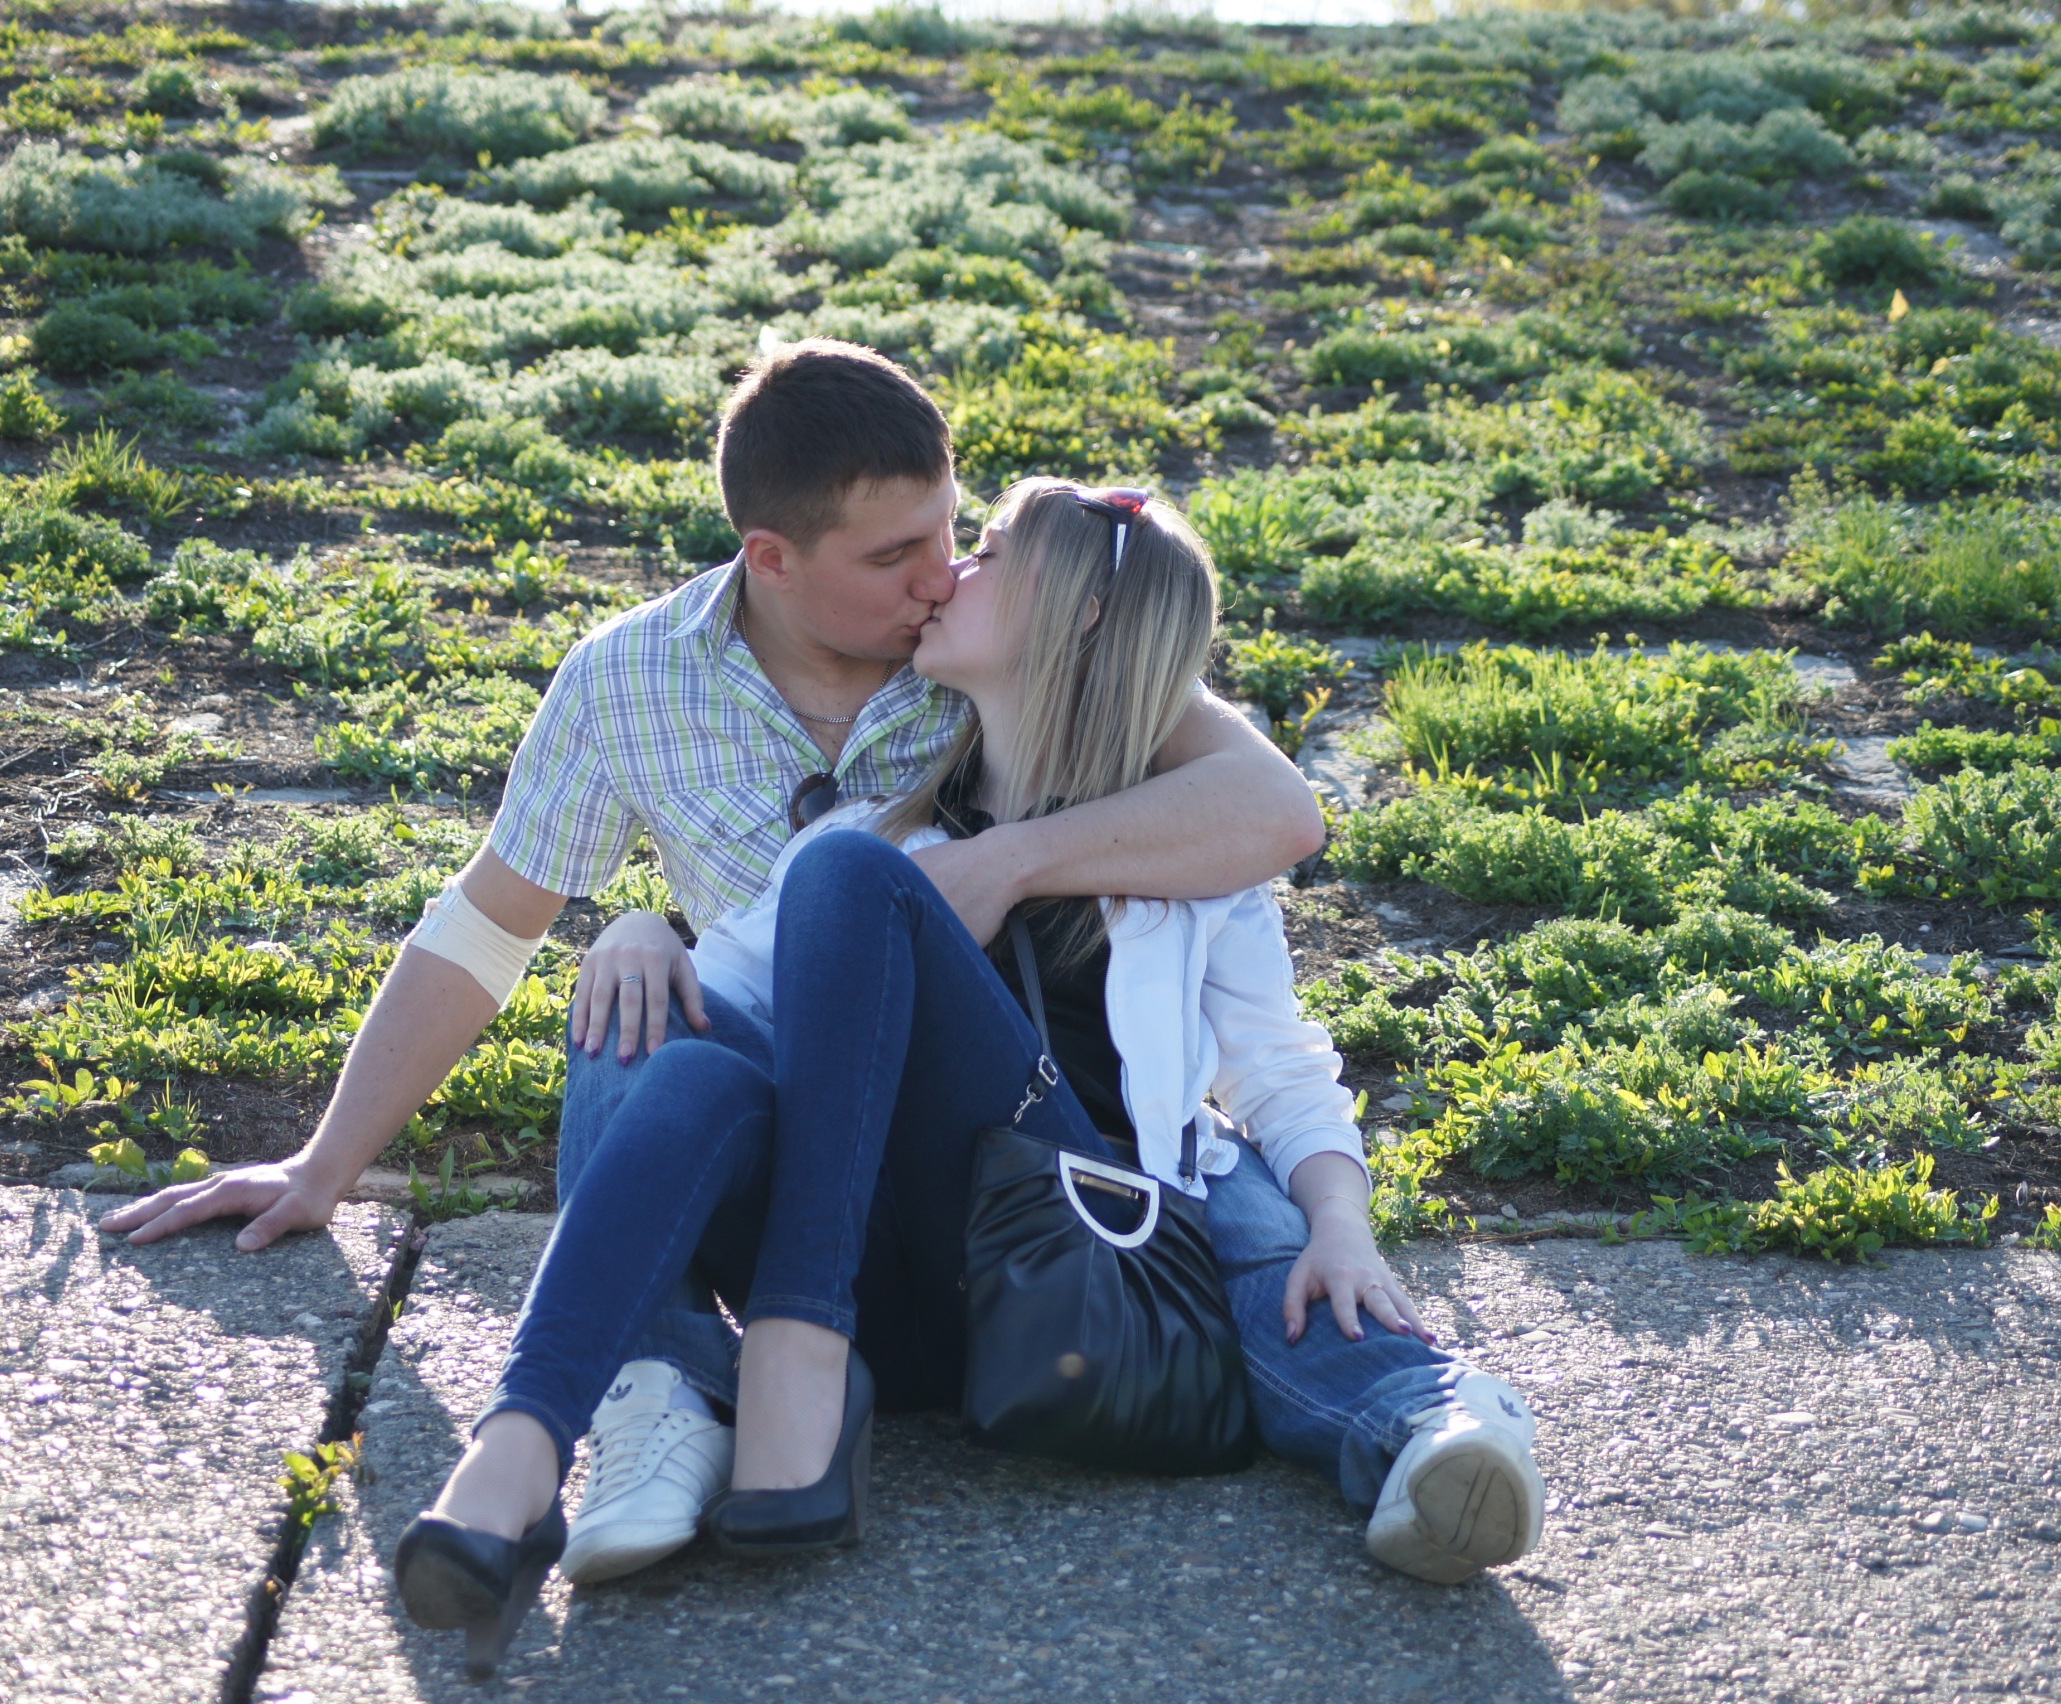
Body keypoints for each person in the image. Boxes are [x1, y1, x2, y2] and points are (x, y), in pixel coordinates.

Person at [96, 340, 1329, 1590]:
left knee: (840, 883)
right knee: (637, 1023)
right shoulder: (630, 680)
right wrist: (323, 1164)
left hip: (969, 1162)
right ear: (771, 559)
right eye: (892, 557)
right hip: (768, 1121)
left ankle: (775, 1361)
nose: (938, 575)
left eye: (950, 532)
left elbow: (1272, 806)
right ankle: (627, 1404)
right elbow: (484, 928)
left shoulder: (995, 643)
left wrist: (1006, 861)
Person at [389, 478, 1544, 1675]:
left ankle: (1426, 1423)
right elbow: (715, 1015)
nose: (951, 574)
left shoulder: (1180, 851)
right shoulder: (878, 833)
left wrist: (1341, 1223)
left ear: (1079, 614)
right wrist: (640, 933)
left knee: (1268, 1265)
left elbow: (1279, 1070)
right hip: (891, 1297)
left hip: (1074, 1262)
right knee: (665, 1047)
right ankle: (525, 1448)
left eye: (987, 553)